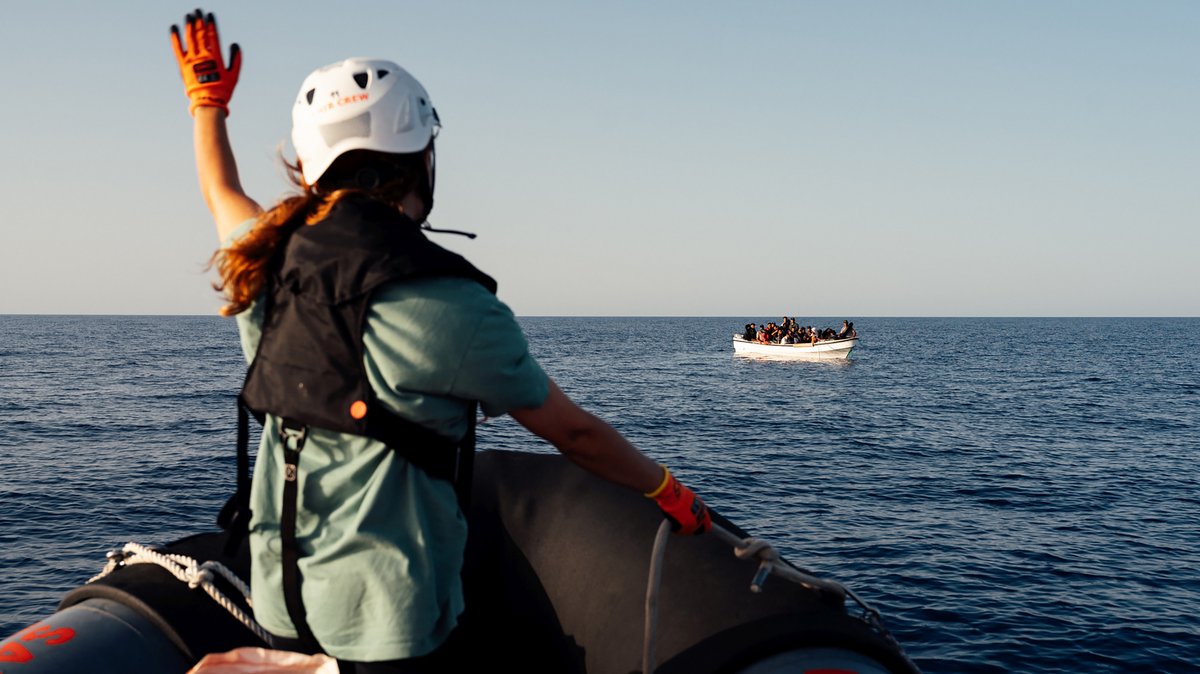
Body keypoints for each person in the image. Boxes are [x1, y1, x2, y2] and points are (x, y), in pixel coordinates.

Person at [170, 10, 711, 672]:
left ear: (308, 165)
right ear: (420, 159)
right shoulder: (452, 304)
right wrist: (667, 493)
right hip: (389, 624)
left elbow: (220, 192)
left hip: (283, 601)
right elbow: (576, 435)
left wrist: (206, 105)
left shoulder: (264, 260)